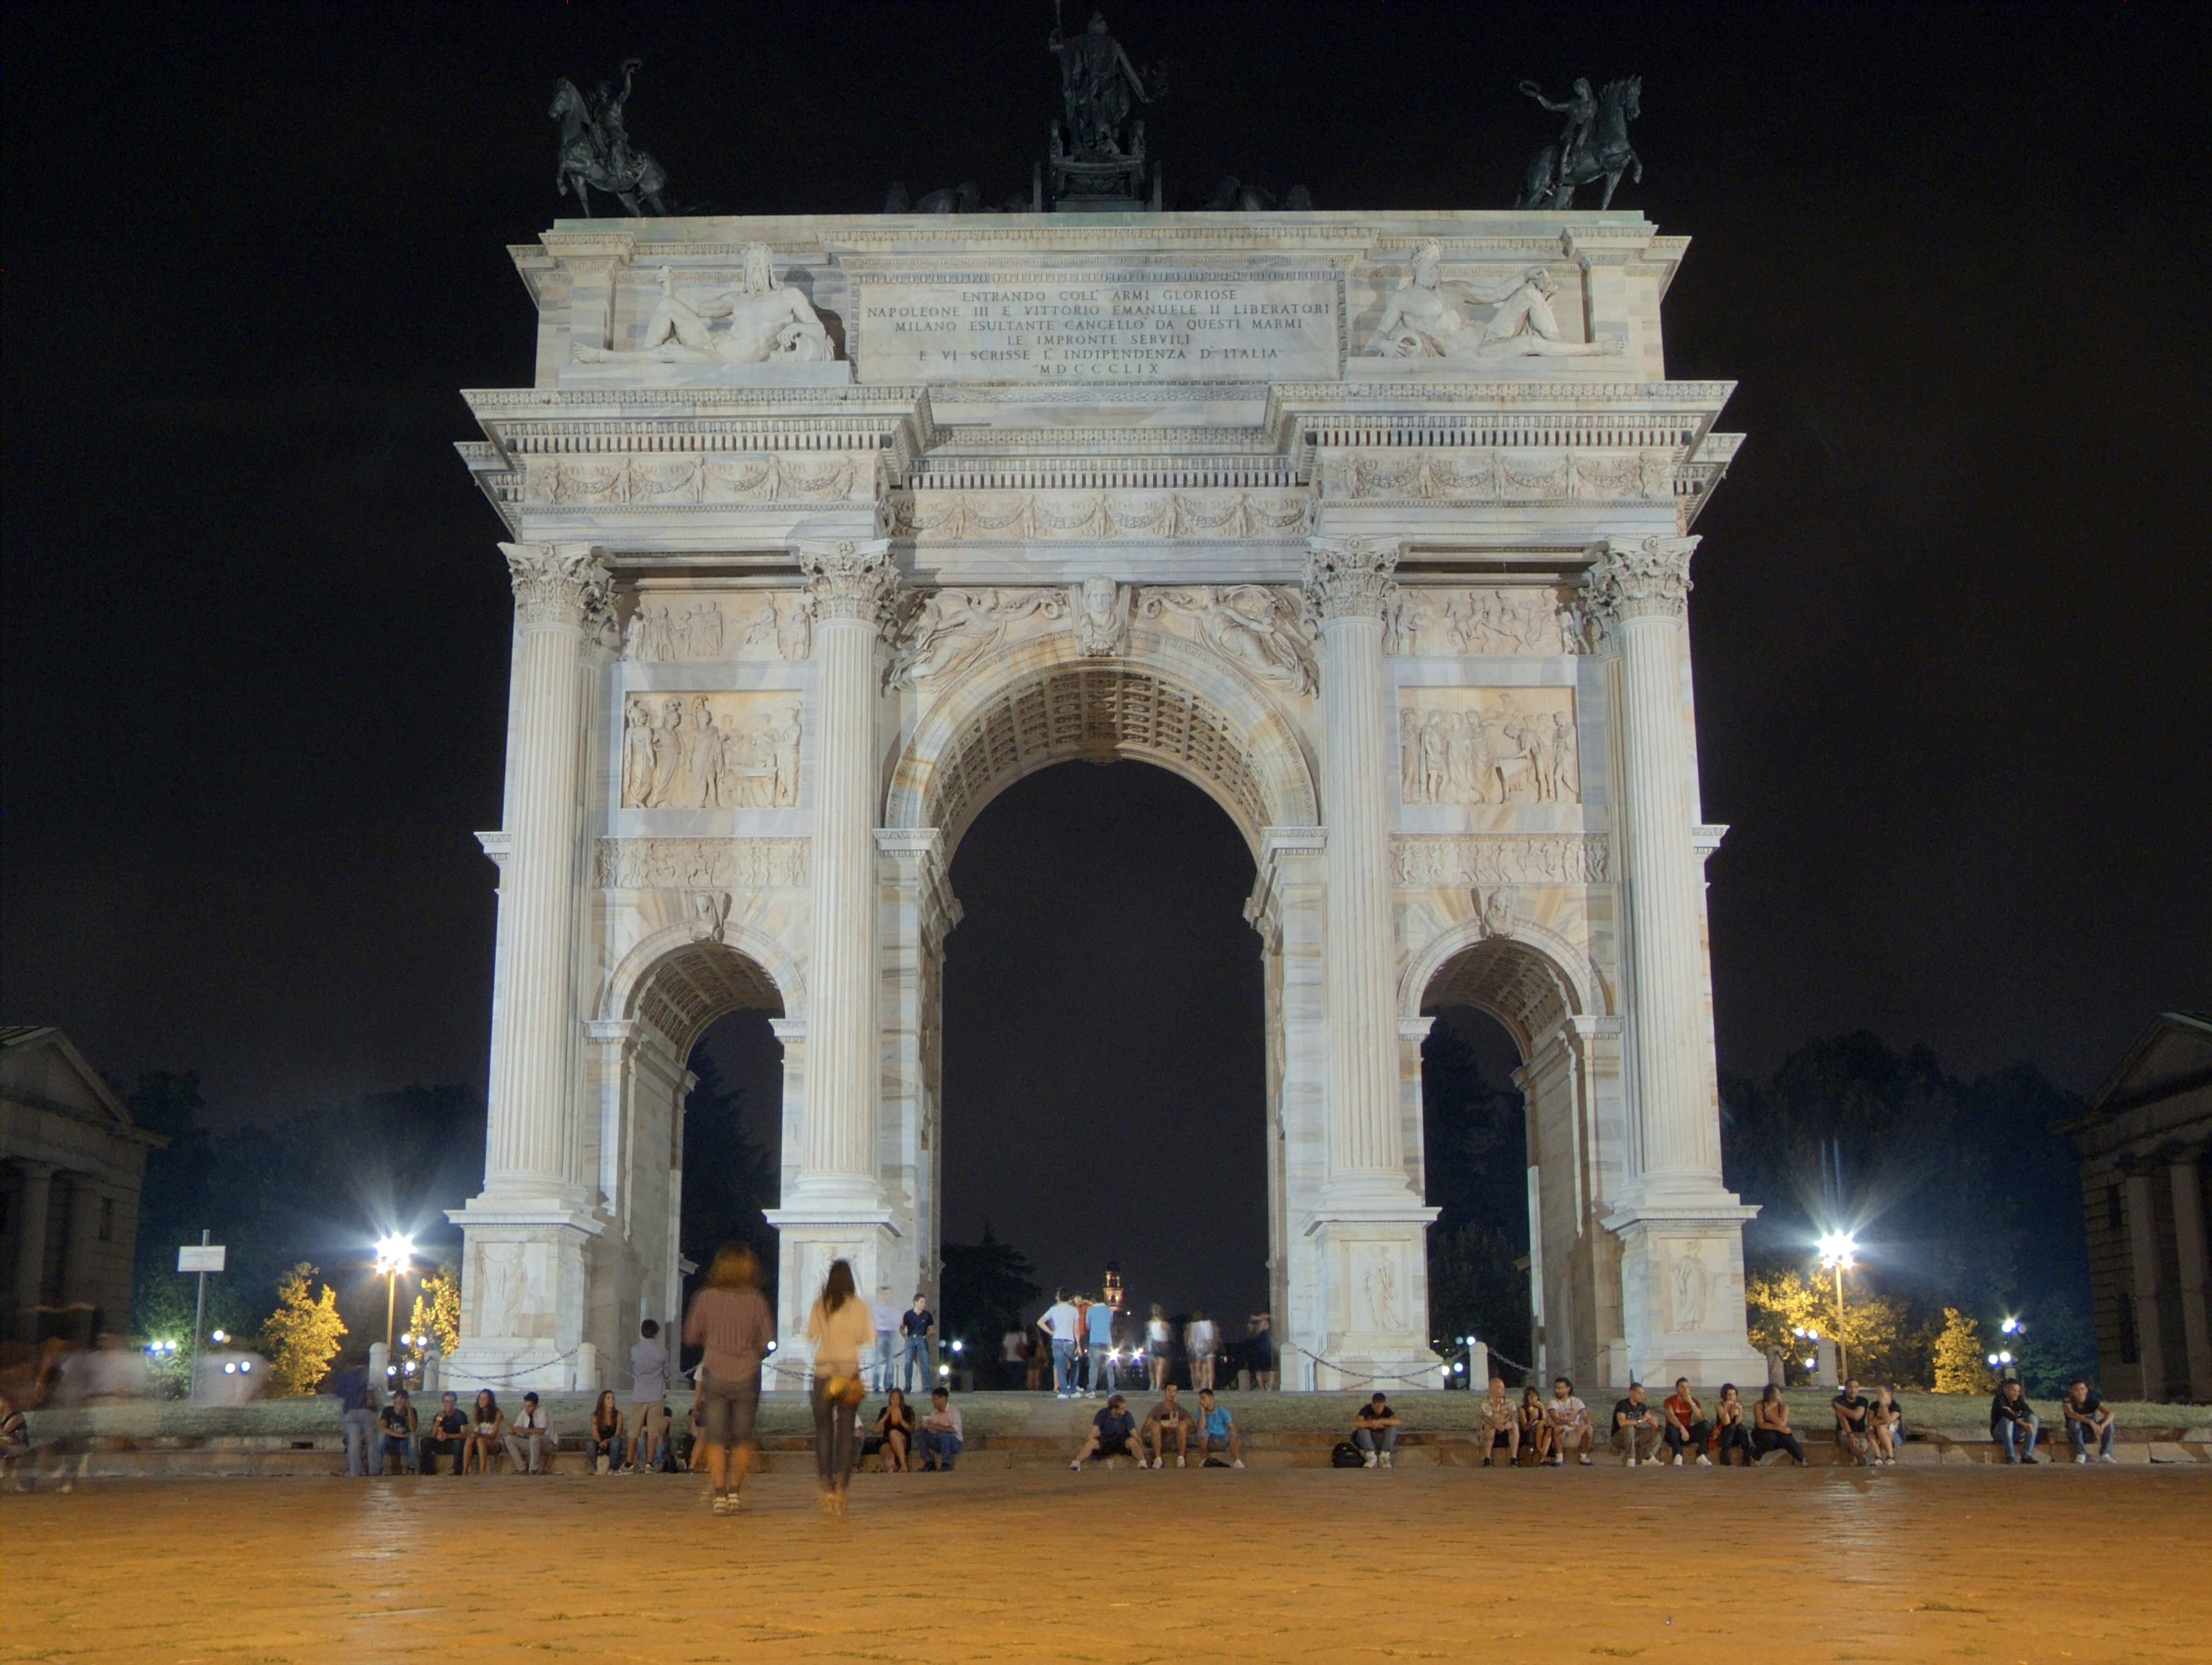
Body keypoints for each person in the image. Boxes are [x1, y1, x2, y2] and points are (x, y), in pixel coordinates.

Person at [685, 1243, 776, 1515]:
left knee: (715, 1438)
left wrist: (712, 1339)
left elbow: (691, 1335)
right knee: (742, 1439)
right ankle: (735, 1492)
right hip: (747, 1375)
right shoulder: (756, 1300)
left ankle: (719, 1494)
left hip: (715, 1373)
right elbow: (768, 1341)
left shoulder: (705, 1298)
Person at [805, 1258, 874, 1515]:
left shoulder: (820, 1305)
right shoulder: (859, 1307)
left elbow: (812, 1335)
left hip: (824, 1372)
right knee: (846, 1432)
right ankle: (842, 1490)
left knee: (823, 1432)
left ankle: (825, 1487)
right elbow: (865, 1338)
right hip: (849, 1373)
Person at [627, 1318, 670, 1474]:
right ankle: (650, 1463)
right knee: (654, 1431)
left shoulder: (634, 1350)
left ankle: (629, 1463)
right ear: (656, 1333)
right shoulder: (662, 1352)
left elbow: (633, 1369)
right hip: (656, 1394)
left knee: (634, 1430)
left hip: (639, 1393)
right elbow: (667, 1373)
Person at [327, 1352, 376, 1478]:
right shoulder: (369, 1372)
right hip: (367, 1410)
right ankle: (374, 1470)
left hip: (350, 1411)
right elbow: (377, 1390)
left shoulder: (346, 1374)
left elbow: (338, 1392)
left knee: (353, 1443)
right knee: (372, 1441)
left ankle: (355, 1472)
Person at [1070, 1393, 1141, 1470]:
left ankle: (1142, 1462)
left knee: (1132, 1441)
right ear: (1114, 1409)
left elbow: (1133, 1431)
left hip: (1122, 1440)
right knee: (1092, 1443)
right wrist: (1089, 1440)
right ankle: (1077, 1462)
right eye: (1122, 1408)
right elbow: (1095, 1430)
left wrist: (1138, 1440)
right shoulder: (1102, 1414)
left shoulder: (1127, 1415)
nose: (1125, 1410)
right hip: (1106, 1440)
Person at [1143, 1382, 1199, 1469]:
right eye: (1169, 1390)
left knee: (1183, 1425)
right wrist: (1160, 1425)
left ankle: (1181, 1458)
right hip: (1162, 1441)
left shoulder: (1181, 1410)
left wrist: (1178, 1426)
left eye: (1174, 1391)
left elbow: (1193, 1429)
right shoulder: (1157, 1410)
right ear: (1164, 1392)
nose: (1171, 1394)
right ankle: (1158, 1459)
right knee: (1156, 1426)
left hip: (1176, 1441)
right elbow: (1144, 1430)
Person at [2061, 1378, 2118, 1464]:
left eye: (2082, 1389)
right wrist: (2090, 1422)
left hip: (2094, 1432)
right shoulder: (2068, 1400)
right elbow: (2070, 1414)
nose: (2080, 1392)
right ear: (2072, 1391)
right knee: (2074, 1423)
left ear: (2087, 1390)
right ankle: (2080, 1454)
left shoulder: (2092, 1400)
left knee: (2110, 1424)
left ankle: (2105, 1454)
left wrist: (2101, 1427)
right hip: (2076, 1433)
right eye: (2076, 1390)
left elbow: (2111, 1414)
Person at [1041, 1290, 1082, 1399]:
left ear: (1059, 1297)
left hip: (1057, 1339)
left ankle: (1064, 1391)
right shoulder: (1074, 1310)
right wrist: (1079, 1345)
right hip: (1069, 1341)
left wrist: (1051, 1332)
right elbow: (1076, 1329)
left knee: (1060, 1367)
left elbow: (1040, 1322)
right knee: (1075, 1364)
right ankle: (1073, 1390)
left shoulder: (1053, 1309)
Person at [1663, 1378, 1712, 1467]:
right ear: (1677, 1389)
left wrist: (1691, 1402)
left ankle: (1701, 1455)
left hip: (1687, 1434)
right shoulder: (1670, 1401)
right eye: (1682, 1387)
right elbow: (1671, 1417)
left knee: (1706, 1425)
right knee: (1671, 1427)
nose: (1685, 1390)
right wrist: (1682, 1428)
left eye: (1687, 1387)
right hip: (1675, 1433)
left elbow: (1701, 1418)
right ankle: (1678, 1455)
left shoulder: (1694, 1401)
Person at [1752, 1384, 1807, 1465]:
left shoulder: (1784, 1407)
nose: (1780, 1395)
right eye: (1777, 1393)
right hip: (1762, 1433)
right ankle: (1755, 1458)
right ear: (1770, 1395)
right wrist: (1778, 1427)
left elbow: (1782, 1424)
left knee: (1787, 1438)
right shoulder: (1759, 1405)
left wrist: (1770, 1414)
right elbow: (1761, 1424)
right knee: (1770, 1437)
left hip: (1778, 1434)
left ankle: (1802, 1459)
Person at [1990, 1378, 2041, 1463]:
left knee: (2033, 1419)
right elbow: (2006, 1413)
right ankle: (2010, 1456)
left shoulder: (2019, 1399)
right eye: (2014, 1391)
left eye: (2018, 1391)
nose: (2017, 1394)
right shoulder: (1999, 1399)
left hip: (2016, 1432)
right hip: (2000, 1433)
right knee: (2007, 1420)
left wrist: (2015, 1414)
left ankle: (2027, 1455)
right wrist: (2021, 1422)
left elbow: (2029, 1411)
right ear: (2005, 1390)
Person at [1612, 1383, 1663, 1466]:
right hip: (1619, 1437)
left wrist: (1653, 1420)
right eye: (1639, 1393)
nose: (1642, 1396)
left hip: (1633, 1435)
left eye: (1643, 1393)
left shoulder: (1642, 1406)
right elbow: (1622, 1423)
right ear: (1631, 1393)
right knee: (1630, 1428)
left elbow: (1649, 1416)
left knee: (1657, 1432)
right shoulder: (1623, 1404)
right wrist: (1640, 1421)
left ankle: (1648, 1457)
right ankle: (1630, 1458)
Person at [1546, 1377, 1593, 1466]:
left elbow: (1586, 1417)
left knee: (1589, 1430)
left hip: (1575, 1432)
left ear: (1568, 1389)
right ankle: (1559, 1457)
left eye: (1560, 1388)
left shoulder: (1577, 1401)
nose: (1557, 1391)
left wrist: (1584, 1426)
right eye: (1556, 1388)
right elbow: (1556, 1419)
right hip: (1562, 1434)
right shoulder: (1553, 1402)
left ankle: (1584, 1457)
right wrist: (1568, 1423)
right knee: (1557, 1428)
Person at [867, 1388, 916, 1473]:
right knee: (890, 1458)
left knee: (893, 1433)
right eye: (892, 1398)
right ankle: (891, 1474)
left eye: (897, 1399)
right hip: (887, 1441)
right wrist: (887, 1414)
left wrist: (901, 1420)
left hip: (902, 1440)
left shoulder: (908, 1410)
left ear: (901, 1400)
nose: (895, 1401)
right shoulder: (884, 1410)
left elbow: (911, 1430)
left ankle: (904, 1465)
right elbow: (877, 1429)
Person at [505, 1391, 554, 1474]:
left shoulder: (542, 1412)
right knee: (509, 1439)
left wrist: (524, 1430)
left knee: (534, 1437)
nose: (526, 1409)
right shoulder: (523, 1413)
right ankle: (521, 1468)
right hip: (531, 1443)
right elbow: (517, 1427)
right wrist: (512, 1430)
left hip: (545, 1444)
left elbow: (542, 1431)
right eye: (525, 1406)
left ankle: (534, 1469)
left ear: (536, 1406)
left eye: (530, 1406)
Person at [420, 1390, 467, 1476]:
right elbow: (433, 1435)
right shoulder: (439, 1415)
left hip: (454, 1443)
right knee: (425, 1441)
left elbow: (464, 1434)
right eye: (447, 1402)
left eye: (451, 1402)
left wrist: (448, 1436)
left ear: (455, 1403)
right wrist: (438, 1421)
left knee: (459, 1443)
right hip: (442, 1443)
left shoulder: (460, 1415)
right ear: (443, 1403)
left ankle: (457, 1471)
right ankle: (429, 1471)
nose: (449, 1404)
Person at [1195, 1388, 1244, 1468]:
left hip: (1222, 1439)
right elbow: (1201, 1427)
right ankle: (1205, 1460)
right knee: (1201, 1432)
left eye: (1203, 1398)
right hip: (1209, 1440)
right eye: (1200, 1399)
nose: (1201, 1401)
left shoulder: (1223, 1411)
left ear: (1211, 1399)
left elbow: (1232, 1427)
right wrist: (1203, 1412)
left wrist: (1235, 1438)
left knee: (1232, 1434)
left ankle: (1237, 1461)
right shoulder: (1200, 1412)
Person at [1477, 1376, 1520, 1467]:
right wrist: (1496, 1424)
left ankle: (1514, 1458)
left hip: (1505, 1430)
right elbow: (1485, 1416)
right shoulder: (1484, 1402)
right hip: (1491, 1432)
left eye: (1503, 1388)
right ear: (1492, 1389)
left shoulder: (1509, 1402)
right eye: (1499, 1388)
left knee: (1515, 1426)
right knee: (1489, 1426)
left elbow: (1513, 1414)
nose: (1503, 1390)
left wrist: (1510, 1422)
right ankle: (1487, 1459)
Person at [375, 1386, 419, 1475]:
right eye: (401, 1399)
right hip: (390, 1443)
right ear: (394, 1400)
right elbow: (382, 1428)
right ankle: (377, 1468)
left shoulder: (412, 1411)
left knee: (413, 1436)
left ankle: (411, 1467)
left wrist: (410, 1410)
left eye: (405, 1399)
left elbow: (413, 1429)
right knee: (381, 1436)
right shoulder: (388, 1411)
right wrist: (398, 1435)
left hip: (404, 1444)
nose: (402, 1402)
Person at [918, 1386, 964, 1470]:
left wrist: (937, 1427)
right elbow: (932, 1430)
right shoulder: (934, 1413)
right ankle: (929, 1461)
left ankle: (947, 1463)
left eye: (936, 1399)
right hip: (938, 1441)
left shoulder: (954, 1411)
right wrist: (925, 1427)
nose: (934, 1402)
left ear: (944, 1398)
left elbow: (954, 1429)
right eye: (933, 1399)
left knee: (944, 1435)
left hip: (954, 1442)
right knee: (920, 1434)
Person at [1832, 1379, 1876, 1466]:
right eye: (1850, 1387)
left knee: (1862, 1444)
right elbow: (1842, 1420)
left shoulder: (1862, 1401)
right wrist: (1850, 1434)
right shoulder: (1839, 1400)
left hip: (1860, 1433)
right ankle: (1861, 1458)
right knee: (1852, 1443)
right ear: (1846, 1388)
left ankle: (1860, 1457)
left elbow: (1857, 1416)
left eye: (1856, 1387)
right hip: (1844, 1433)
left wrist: (1840, 1408)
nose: (1853, 1390)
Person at [1351, 1393, 1401, 1469]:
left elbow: (1398, 1422)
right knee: (1362, 1428)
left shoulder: (1387, 1411)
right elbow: (1356, 1423)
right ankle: (1371, 1455)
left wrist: (1382, 1421)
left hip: (1382, 1439)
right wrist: (1370, 1424)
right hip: (1368, 1440)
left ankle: (1385, 1456)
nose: (1380, 1409)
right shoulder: (1366, 1410)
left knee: (1393, 1428)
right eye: (1377, 1406)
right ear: (1372, 1404)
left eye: (1382, 1406)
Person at [901, 1293, 936, 1395]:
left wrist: (927, 1336)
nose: (923, 1304)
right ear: (915, 1302)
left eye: (924, 1302)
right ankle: (908, 1386)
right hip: (911, 1339)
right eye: (921, 1302)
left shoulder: (927, 1315)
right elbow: (902, 1327)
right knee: (908, 1363)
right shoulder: (908, 1314)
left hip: (921, 1338)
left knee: (924, 1363)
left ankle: (927, 1386)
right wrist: (905, 1337)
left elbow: (932, 1328)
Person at [1711, 1384, 1754, 1467]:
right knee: (1731, 1427)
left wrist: (1740, 1411)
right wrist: (1726, 1409)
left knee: (1740, 1428)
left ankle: (1746, 1454)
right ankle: (1724, 1455)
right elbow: (1726, 1422)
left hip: (1735, 1437)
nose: (1732, 1397)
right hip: (1724, 1436)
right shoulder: (1720, 1405)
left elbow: (1738, 1422)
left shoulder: (1738, 1405)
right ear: (1725, 1395)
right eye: (1729, 1394)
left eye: (1734, 1394)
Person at [587, 1391, 626, 1474]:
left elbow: (618, 1433)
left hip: (612, 1442)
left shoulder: (619, 1415)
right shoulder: (595, 1416)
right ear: (603, 1401)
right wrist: (601, 1442)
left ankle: (613, 1468)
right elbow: (595, 1434)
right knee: (590, 1444)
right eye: (608, 1398)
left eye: (613, 1398)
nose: (611, 1400)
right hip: (600, 1442)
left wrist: (607, 1441)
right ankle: (597, 1468)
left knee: (616, 1442)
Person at [1085, 1297, 1116, 1399]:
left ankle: (1092, 1391)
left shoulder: (1090, 1310)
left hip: (1094, 1341)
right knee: (1109, 1367)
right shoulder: (1109, 1310)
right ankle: (1111, 1390)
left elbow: (1088, 1326)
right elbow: (1110, 1325)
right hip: (1107, 1341)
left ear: (1094, 1300)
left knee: (1094, 1367)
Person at [873, 1287, 901, 1393]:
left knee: (890, 1360)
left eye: (888, 1294)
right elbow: (876, 1320)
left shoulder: (894, 1308)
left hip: (891, 1333)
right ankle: (876, 1385)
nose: (886, 1297)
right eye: (884, 1294)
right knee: (878, 1359)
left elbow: (897, 1321)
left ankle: (888, 1385)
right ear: (880, 1295)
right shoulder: (876, 1307)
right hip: (880, 1332)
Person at [1517, 1385, 1553, 1466]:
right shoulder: (1523, 1410)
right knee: (1540, 1424)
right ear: (1527, 1398)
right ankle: (1542, 1452)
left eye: (1536, 1397)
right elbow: (1525, 1428)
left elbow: (1545, 1423)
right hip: (1529, 1433)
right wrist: (1531, 1419)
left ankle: (1542, 1455)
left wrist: (1543, 1410)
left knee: (1549, 1429)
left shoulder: (1539, 1408)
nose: (1534, 1399)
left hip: (1541, 1431)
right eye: (1531, 1397)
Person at [1869, 1385, 1904, 1466]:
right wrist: (1883, 1421)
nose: (1879, 1395)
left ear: (1889, 1394)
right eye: (1877, 1393)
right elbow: (1870, 1422)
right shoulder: (1874, 1405)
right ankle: (1878, 1457)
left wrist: (1883, 1407)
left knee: (1881, 1428)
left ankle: (1890, 1457)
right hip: (1878, 1432)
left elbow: (1888, 1421)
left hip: (1894, 1434)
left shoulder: (1895, 1407)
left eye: (1881, 1393)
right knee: (1871, 1435)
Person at [0, 1393, 29, 1490]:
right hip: (9, 1446)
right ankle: (8, 1483)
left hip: (19, 1447)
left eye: (1, 1402)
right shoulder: (3, 1416)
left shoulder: (15, 1417)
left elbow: (5, 1434)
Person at [1186, 1311, 1218, 1392]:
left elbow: (1193, 1338)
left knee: (1198, 1369)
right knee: (1211, 1369)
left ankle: (1201, 1385)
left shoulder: (1193, 1325)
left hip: (1200, 1347)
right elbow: (1212, 1336)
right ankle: (1210, 1386)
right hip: (1209, 1346)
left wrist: (1194, 1349)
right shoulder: (1209, 1323)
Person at [1145, 1304, 1172, 1392]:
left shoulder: (1149, 1324)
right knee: (1161, 1367)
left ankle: (1156, 1385)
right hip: (1163, 1345)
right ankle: (1159, 1386)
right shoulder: (1165, 1324)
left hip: (1154, 1345)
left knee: (1156, 1367)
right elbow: (1170, 1335)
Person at [1248, 1312, 1277, 1391]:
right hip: (1262, 1350)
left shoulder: (1262, 1326)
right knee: (1262, 1370)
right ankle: (1264, 1388)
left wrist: (1259, 1319)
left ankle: (1266, 1388)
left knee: (1268, 1370)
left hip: (1264, 1350)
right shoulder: (1256, 1327)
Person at [1001, 1324, 1028, 1391]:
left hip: (1009, 1358)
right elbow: (1025, 1345)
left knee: (1010, 1376)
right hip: (1020, 1359)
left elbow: (1005, 1348)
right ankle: (1017, 1389)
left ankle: (1010, 1389)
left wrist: (1003, 1357)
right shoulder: (1023, 1335)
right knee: (1018, 1377)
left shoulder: (1008, 1335)